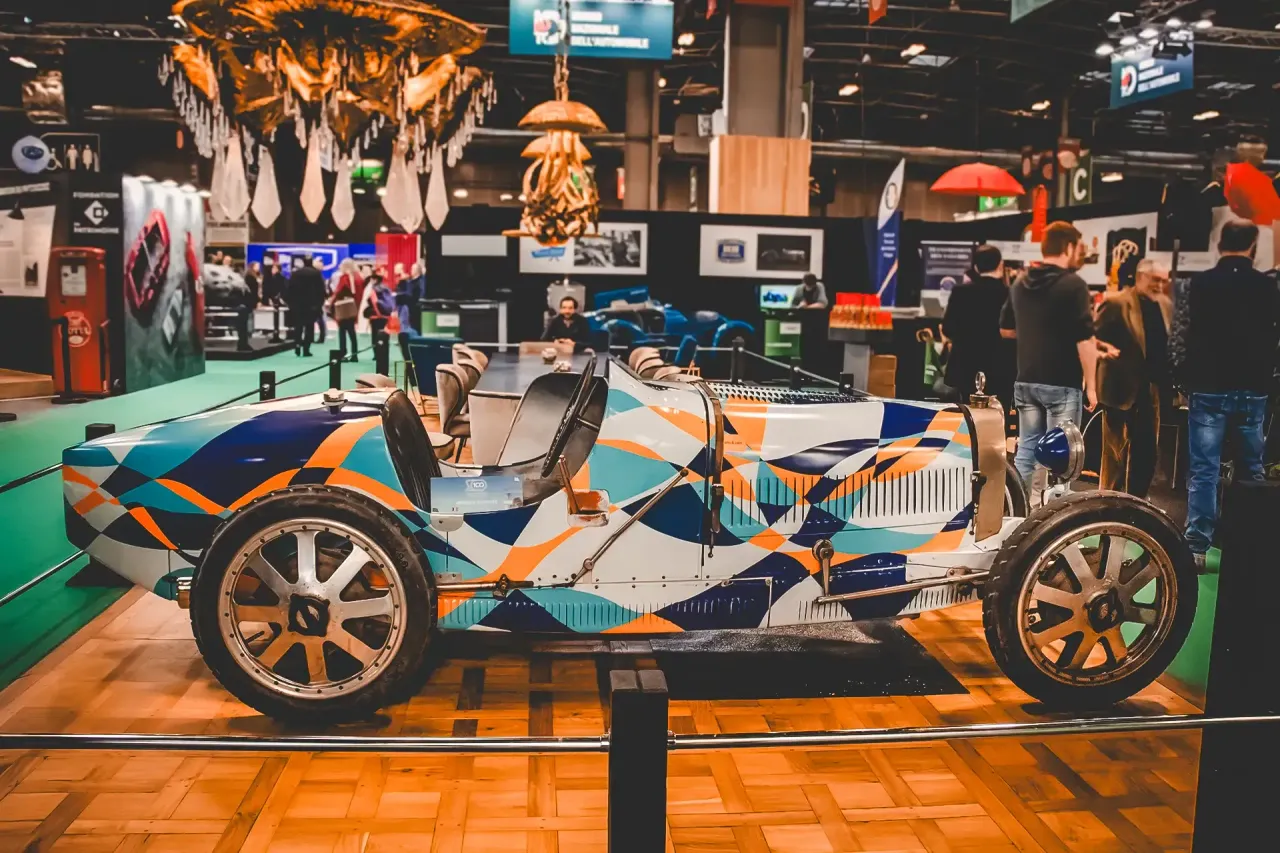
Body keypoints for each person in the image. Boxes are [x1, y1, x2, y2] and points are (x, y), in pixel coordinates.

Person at [1180, 220, 1280, 566]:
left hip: (1209, 387)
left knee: (1204, 470)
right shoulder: (1268, 287)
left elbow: (1185, 335)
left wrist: (1183, 381)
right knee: (1252, 469)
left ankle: (1197, 547)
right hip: (1253, 388)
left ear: (1220, 244)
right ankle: (1252, 545)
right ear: (1253, 246)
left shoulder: (1200, 284)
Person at [1000, 221, 1118, 493]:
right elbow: (1084, 341)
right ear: (1068, 247)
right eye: (1078, 247)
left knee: (1026, 450)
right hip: (1062, 383)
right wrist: (1091, 387)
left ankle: (1017, 507)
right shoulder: (1073, 285)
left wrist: (1036, 332)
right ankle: (1058, 513)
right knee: (1062, 456)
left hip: (1026, 380)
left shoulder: (1020, 282)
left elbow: (1006, 330)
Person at [1095, 258, 1172, 498]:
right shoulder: (1116, 303)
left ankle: (1136, 503)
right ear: (1140, 276)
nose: (1160, 285)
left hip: (1151, 390)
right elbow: (1093, 340)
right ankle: (1107, 503)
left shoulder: (1165, 306)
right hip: (1118, 389)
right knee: (1114, 455)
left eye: (1164, 281)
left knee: (1147, 454)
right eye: (1155, 280)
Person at [941, 244, 1015, 404]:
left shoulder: (960, 292)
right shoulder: (1009, 294)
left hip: (965, 367)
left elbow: (948, 328)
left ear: (975, 267)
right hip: (1000, 367)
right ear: (1000, 265)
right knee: (999, 412)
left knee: (968, 412)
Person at [287, 257, 326, 357]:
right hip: (311, 305)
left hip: (298, 305)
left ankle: (297, 345)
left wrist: (291, 304)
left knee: (298, 326)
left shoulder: (295, 274)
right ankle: (306, 349)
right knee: (309, 327)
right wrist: (319, 304)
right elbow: (321, 290)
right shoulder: (316, 274)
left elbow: (289, 289)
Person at [329, 259, 364, 363]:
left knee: (342, 331)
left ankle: (343, 354)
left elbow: (339, 291)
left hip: (344, 307)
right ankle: (354, 354)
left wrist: (331, 301)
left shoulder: (345, 277)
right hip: (354, 307)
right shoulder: (358, 277)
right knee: (352, 331)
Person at [395, 262, 426, 333]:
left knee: (416, 325)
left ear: (417, 270)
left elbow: (421, 293)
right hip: (409, 306)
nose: (411, 270)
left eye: (412, 269)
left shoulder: (421, 281)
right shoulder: (409, 281)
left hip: (416, 307)